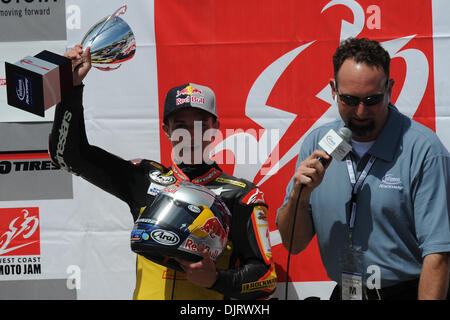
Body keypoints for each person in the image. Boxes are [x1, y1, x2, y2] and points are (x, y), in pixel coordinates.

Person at [48, 45, 277, 300]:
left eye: (200, 125)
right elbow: (69, 155)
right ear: (167, 130)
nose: (190, 135)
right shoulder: (144, 179)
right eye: (181, 126)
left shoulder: (242, 195)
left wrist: (215, 280)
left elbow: (266, 281)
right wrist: (70, 88)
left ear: (215, 128)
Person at [277, 38, 450, 300]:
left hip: (405, 292)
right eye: (349, 99)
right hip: (346, 292)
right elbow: (294, 243)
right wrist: (298, 198)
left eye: (372, 100)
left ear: (389, 89)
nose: (360, 111)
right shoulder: (319, 143)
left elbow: (438, 255)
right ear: (333, 90)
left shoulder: (424, 150)